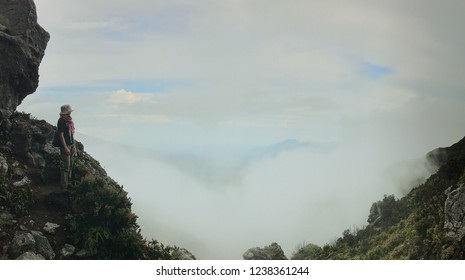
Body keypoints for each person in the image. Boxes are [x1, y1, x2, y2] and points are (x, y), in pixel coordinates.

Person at [57, 104, 76, 190]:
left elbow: (71, 134)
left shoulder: (69, 121)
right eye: (68, 112)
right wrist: (65, 147)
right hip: (66, 146)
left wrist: (74, 145)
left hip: (71, 145)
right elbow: (61, 135)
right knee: (65, 167)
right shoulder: (61, 121)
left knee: (70, 165)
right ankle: (64, 186)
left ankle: (69, 183)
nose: (69, 114)